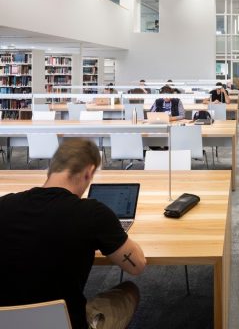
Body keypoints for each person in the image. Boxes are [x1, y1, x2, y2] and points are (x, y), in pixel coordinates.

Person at [0, 139, 146, 329]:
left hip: (6, 323)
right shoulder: (93, 214)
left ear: (50, 169)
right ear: (89, 172)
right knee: (129, 291)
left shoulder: (4, 205)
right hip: (65, 324)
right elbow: (137, 266)